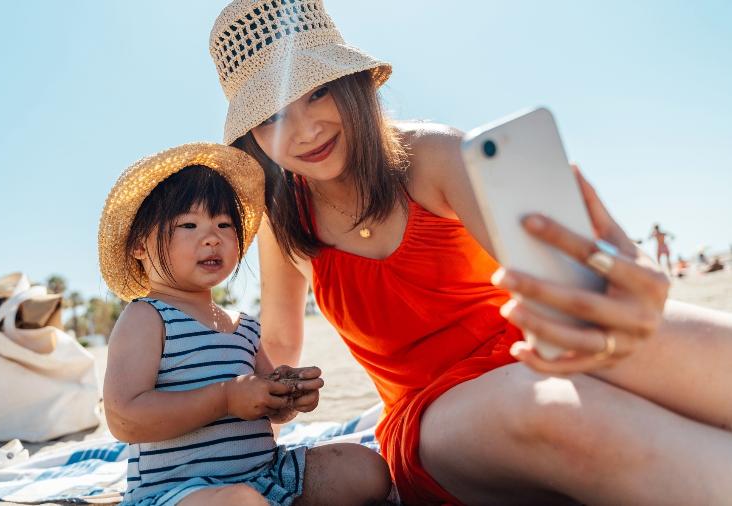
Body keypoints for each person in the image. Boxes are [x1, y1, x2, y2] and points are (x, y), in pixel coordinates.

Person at [207, 1, 732, 504]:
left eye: (317, 91)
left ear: (353, 82)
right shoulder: (286, 222)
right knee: (555, 411)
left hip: (537, 343)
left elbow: (566, 286)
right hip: (438, 416)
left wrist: (620, 281)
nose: (304, 130)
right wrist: (258, 396)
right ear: (253, 136)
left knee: (693, 348)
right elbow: (277, 342)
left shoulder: (433, 154)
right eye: (273, 117)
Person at [98, 143, 392, 506]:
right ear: (140, 246)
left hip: (263, 475)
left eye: (224, 224)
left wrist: (285, 396)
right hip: (176, 491)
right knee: (240, 502)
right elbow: (124, 419)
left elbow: (266, 405)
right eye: (188, 224)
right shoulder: (148, 317)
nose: (212, 237)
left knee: (365, 468)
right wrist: (225, 399)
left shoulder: (243, 326)